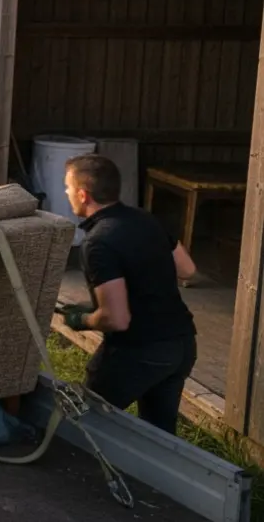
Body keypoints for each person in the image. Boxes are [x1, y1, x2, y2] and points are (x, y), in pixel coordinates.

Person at [58, 154, 198, 435]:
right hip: (180, 345)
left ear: (83, 195)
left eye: (68, 187)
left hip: (140, 351)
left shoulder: (97, 243)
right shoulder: (146, 219)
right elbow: (187, 269)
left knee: (85, 427)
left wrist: (83, 319)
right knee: (159, 437)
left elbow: (117, 319)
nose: (66, 192)